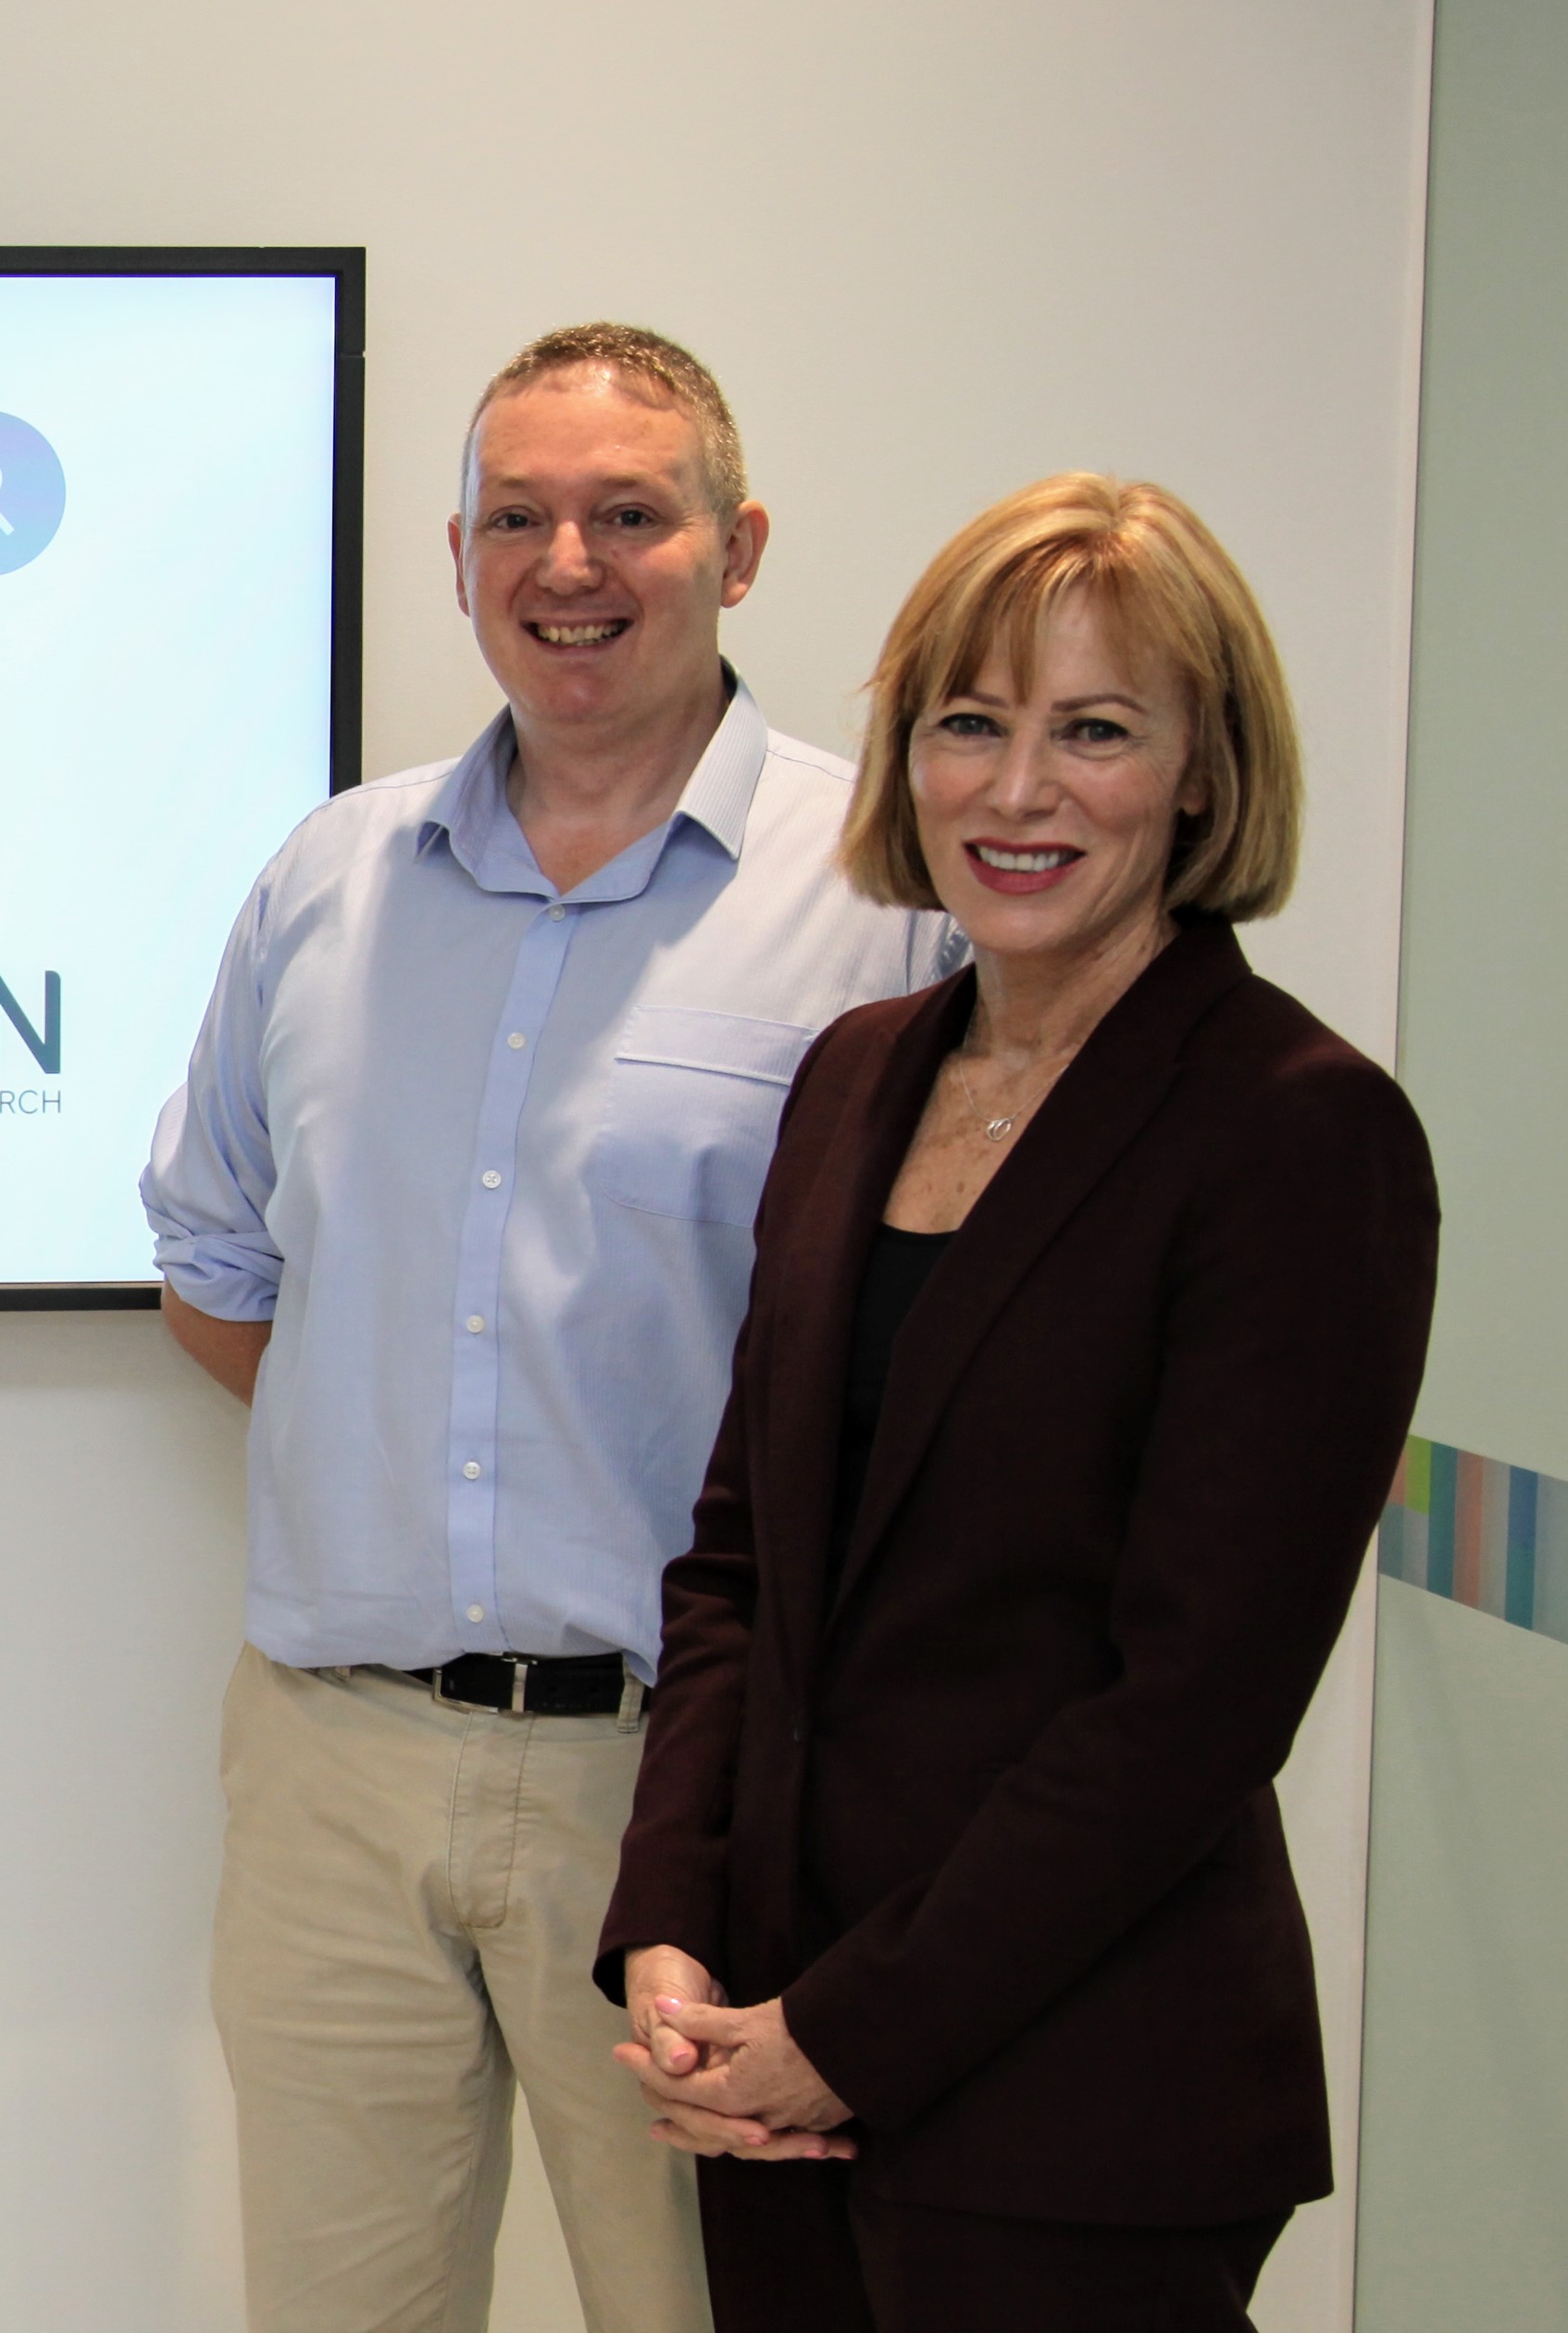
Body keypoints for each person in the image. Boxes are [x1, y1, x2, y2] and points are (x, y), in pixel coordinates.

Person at [143, 326, 959, 2333]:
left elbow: (950, 1358)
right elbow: (217, 1269)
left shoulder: (886, 893)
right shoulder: (330, 877)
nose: (564, 561)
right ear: (453, 553)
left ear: (735, 545)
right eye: (516, 515)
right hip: (334, 1760)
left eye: (626, 511)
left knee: (714, 2306)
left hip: (688, 1786)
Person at [596, 476, 1434, 2330]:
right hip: (773, 2064)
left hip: (1076, 2100)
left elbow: (1189, 1703)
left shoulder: (1294, 1130)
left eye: (1094, 730)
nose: (1016, 789)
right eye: (968, 724)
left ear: (1200, 775)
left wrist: (849, 2028)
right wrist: (668, 1923)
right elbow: (735, 1556)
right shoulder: (856, 1073)